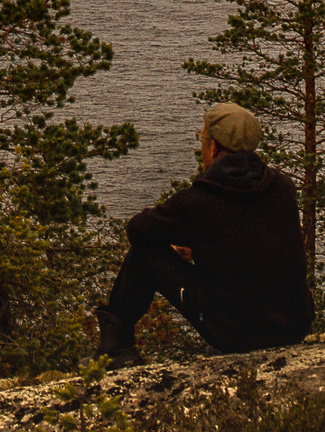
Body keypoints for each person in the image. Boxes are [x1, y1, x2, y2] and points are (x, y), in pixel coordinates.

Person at [95, 102, 313, 364]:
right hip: (292, 327)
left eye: (202, 139)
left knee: (145, 250)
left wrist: (185, 239)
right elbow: (249, 240)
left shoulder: (201, 199)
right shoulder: (282, 187)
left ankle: (115, 350)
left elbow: (138, 228)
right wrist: (196, 242)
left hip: (235, 332)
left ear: (213, 147)